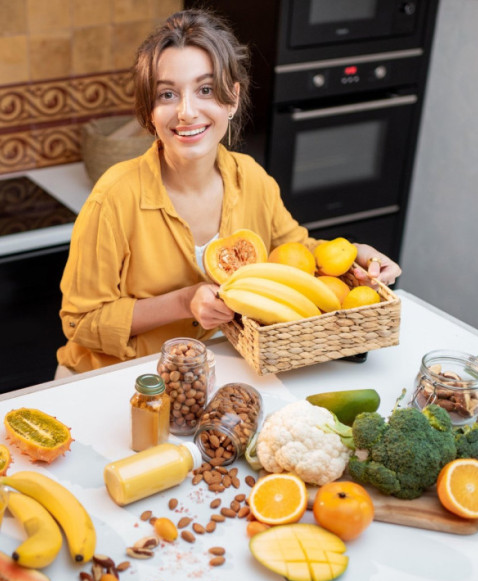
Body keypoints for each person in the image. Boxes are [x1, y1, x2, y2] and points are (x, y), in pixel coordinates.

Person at [55, 9, 401, 377]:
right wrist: (185, 302)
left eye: (205, 90)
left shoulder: (253, 179)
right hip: (115, 380)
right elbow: (81, 321)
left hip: (217, 372)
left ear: (232, 99)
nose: (187, 112)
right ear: (148, 111)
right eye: (167, 94)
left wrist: (352, 258)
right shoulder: (114, 196)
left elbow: (296, 254)